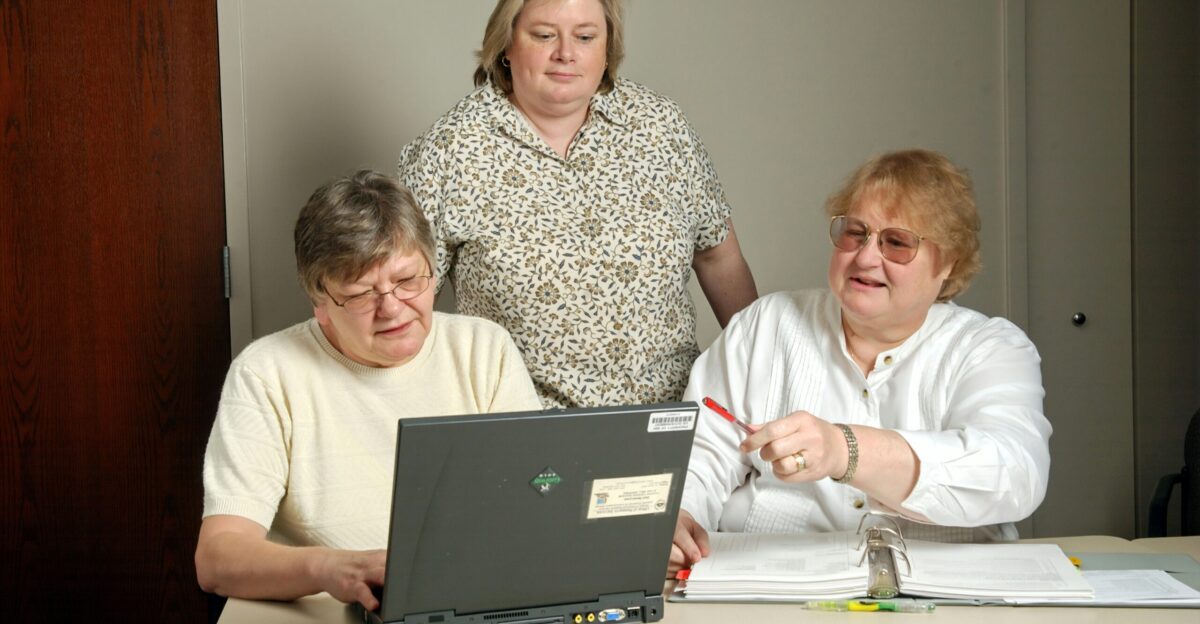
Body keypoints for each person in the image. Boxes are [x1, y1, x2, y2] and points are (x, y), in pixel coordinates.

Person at [669, 149, 1051, 575]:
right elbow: (700, 453)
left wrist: (846, 450)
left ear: (948, 263)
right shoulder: (766, 325)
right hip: (774, 585)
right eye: (856, 233)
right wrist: (677, 518)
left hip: (942, 595)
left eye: (897, 242)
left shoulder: (989, 348)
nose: (866, 257)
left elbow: (1014, 473)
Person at [195, 171, 541, 609]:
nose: (392, 308)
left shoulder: (483, 349)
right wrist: (330, 569)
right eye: (361, 293)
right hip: (327, 609)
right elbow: (217, 557)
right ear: (320, 303)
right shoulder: (265, 372)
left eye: (409, 280)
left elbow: (536, 504)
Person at [398, 0, 758, 408]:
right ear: (506, 45)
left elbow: (718, 257)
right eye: (544, 35)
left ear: (607, 50)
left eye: (585, 37)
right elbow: (404, 298)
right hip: (524, 425)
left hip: (673, 418)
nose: (566, 53)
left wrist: (761, 372)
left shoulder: (661, 126)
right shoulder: (450, 150)